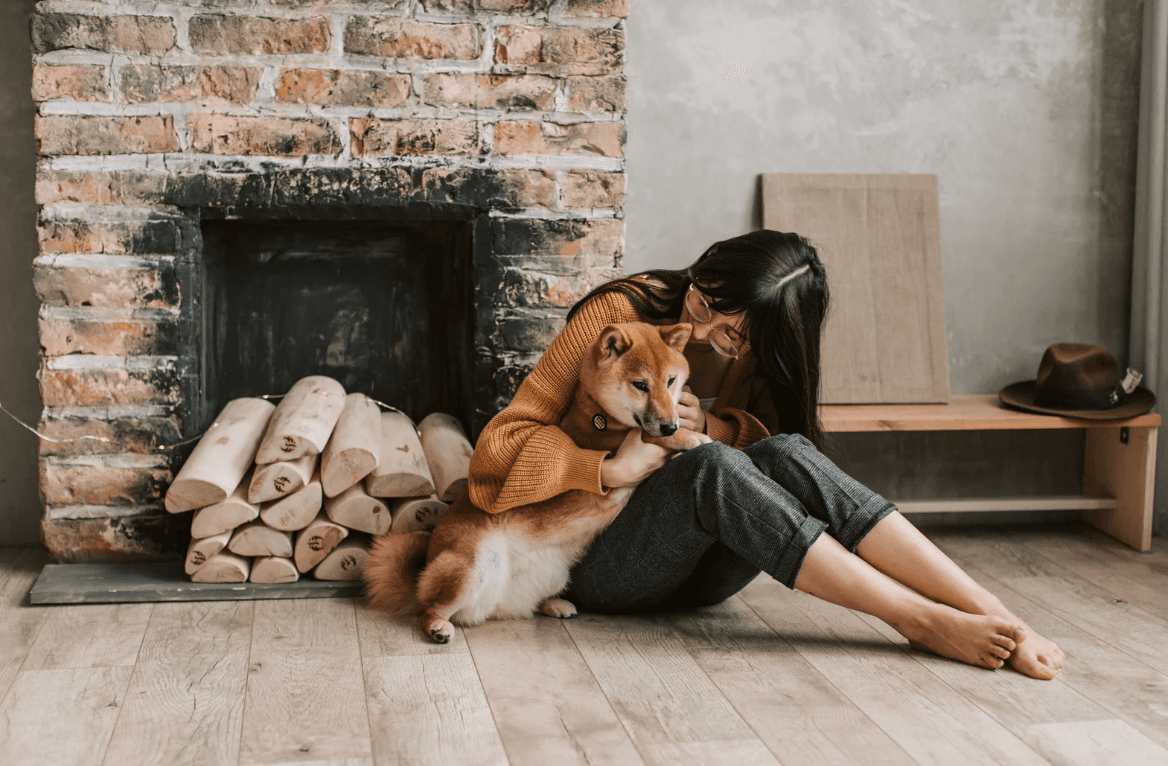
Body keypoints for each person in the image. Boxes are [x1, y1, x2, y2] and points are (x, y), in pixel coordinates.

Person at [467, 230, 1064, 680]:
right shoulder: (619, 319)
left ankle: (994, 610)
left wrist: (721, 427)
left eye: (731, 336)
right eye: (703, 304)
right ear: (702, 274)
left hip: (700, 579)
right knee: (711, 467)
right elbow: (498, 449)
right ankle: (919, 620)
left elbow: (772, 467)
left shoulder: (757, 360)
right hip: (590, 565)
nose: (702, 333)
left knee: (788, 451)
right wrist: (603, 468)